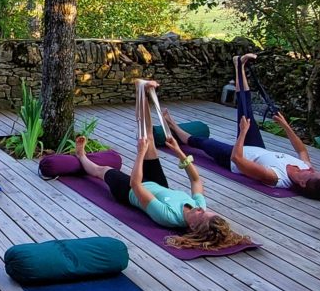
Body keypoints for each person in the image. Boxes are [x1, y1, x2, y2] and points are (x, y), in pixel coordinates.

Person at [74, 80, 250, 251]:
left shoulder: (168, 217)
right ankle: (142, 91)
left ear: (194, 227)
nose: (200, 209)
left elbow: (136, 185)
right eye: (206, 211)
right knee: (148, 138)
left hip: (129, 192)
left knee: (103, 170)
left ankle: (81, 156)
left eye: (201, 215)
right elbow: (196, 181)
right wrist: (178, 151)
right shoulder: (200, 207)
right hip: (158, 186)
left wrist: (141, 153)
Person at [163, 55, 320, 200]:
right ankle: (239, 64)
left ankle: (173, 126)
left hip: (232, 156)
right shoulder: (306, 168)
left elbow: (238, 160)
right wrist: (286, 126)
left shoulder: (276, 177)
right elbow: (302, 151)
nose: (312, 169)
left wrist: (242, 133)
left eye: (313, 173)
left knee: (201, 142)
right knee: (245, 107)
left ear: (303, 183)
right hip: (257, 149)